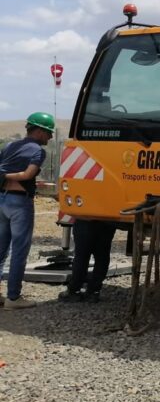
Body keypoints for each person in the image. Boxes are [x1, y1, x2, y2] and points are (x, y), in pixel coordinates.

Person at [0, 112, 55, 310]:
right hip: (20, 203)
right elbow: (27, 174)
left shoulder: (9, 146)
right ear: (39, 131)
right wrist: (10, 175)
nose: (50, 137)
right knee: (19, 251)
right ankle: (13, 298)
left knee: (1, 249)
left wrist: (3, 176)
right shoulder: (37, 151)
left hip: (2, 200)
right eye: (48, 132)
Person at [59, 219, 118, 303]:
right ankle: (94, 291)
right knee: (102, 256)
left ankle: (74, 290)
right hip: (107, 218)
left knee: (81, 255)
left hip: (85, 215)